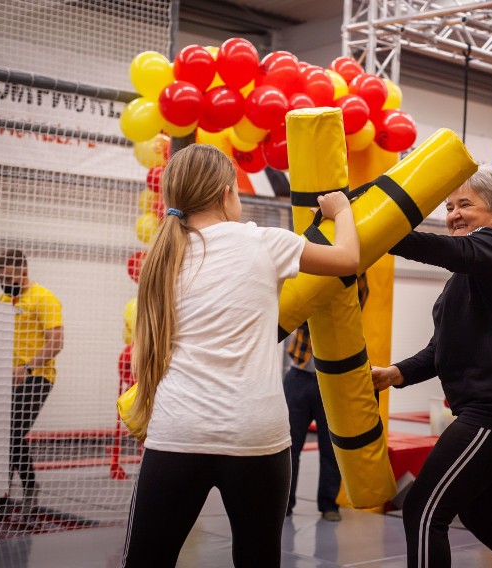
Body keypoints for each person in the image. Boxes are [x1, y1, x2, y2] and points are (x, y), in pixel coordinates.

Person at [121, 143, 359, 568]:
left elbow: (141, 363)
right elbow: (348, 259)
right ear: (227, 193)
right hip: (256, 436)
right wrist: (340, 211)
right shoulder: (264, 242)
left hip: (179, 432)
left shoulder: (161, 259)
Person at [371, 165, 492, 568]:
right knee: (479, 514)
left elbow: (450, 250)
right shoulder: (468, 276)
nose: (453, 213)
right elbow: (442, 349)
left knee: (422, 511)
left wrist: (377, 232)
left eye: (464, 204)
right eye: (449, 206)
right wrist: (395, 374)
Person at [284, 273, 368, 523]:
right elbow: (294, 311)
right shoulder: (305, 276)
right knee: (289, 445)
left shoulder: (350, 281)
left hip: (331, 379)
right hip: (299, 373)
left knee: (331, 446)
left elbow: (360, 296)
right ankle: (285, 503)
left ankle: (328, 504)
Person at [0, 249, 64, 509]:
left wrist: (26, 368)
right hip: (8, 377)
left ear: (23, 272)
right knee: (10, 435)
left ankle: (1, 498)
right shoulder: (4, 299)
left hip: (37, 377)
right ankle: (29, 486)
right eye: (1, 278)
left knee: (13, 434)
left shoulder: (44, 298)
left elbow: (56, 342)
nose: (5, 284)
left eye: (10, 278)